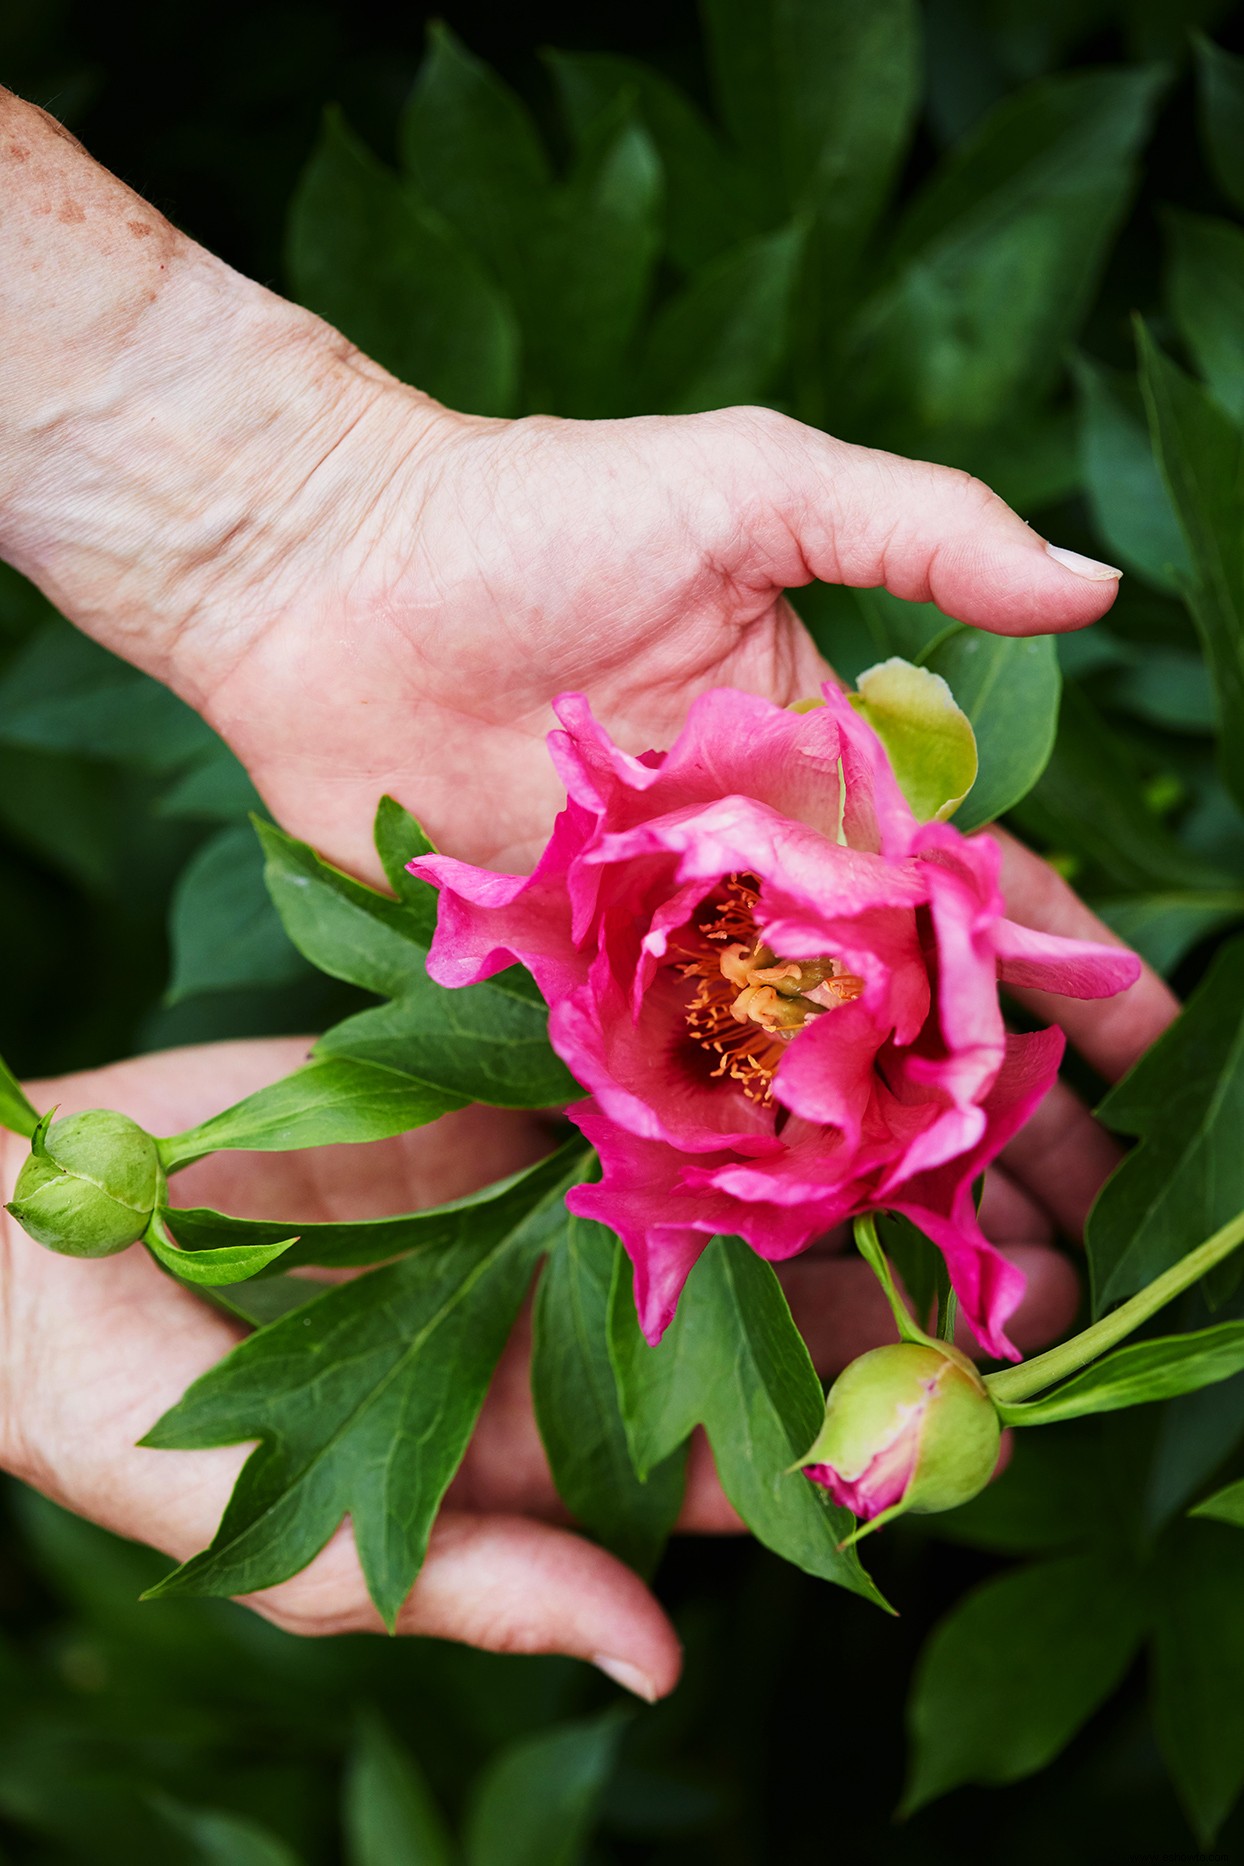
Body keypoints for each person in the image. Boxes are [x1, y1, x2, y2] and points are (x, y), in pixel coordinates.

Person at [0, 89, 1177, 1701]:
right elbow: (561, 975)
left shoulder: (764, 924)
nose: (764, 1006)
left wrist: (301, 507)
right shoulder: (667, 993)